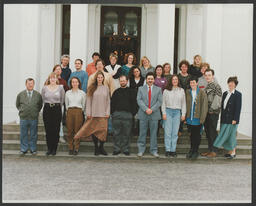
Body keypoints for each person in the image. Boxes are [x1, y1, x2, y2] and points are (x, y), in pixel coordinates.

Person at [74, 71, 110, 156]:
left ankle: (101, 147)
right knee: (94, 131)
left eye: (101, 77)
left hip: (103, 114)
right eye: (98, 77)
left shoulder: (106, 88)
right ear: (96, 78)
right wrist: (88, 113)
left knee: (103, 131)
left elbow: (108, 101)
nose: (100, 79)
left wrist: (107, 112)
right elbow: (88, 101)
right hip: (93, 113)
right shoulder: (91, 87)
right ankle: (96, 148)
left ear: (103, 78)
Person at [213, 77, 242, 159]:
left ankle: (233, 152)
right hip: (224, 119)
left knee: (232, 136)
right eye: (230, 82)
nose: (231, 84)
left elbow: (238, 108)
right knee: (227, 136)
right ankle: (229, 152)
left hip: (232, 120)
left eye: (233, 83)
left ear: (235, 84)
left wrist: (235, 119)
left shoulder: (238, 94)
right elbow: (223, 107)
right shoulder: (225, 93)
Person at [137, 72, 163, 157]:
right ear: (146, 79)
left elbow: (160, 101)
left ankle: (154, 150)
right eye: (148, 79)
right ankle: (141, 150)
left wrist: (151, 109)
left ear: (154, 80)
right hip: (143, 114)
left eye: (152, 79)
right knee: (142, 133)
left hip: (154, 114)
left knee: (154, 133)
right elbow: (139, 100)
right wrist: (146, 109)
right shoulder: (141, 89)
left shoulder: (158, 89)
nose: (150, 80)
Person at [111, 75, 137, 156]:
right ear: (119, 82)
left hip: (127, 115)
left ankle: (125, 149)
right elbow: (112, 104)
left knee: (127, 133)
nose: (122, 82)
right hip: (117, 115)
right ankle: (117, 149)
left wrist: (132, 113)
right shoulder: (116, 92)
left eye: (124, 80)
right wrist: (113, 113)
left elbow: (135, 104)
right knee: (116, 133)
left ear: (127, 81)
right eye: (121, 81)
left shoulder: (132, 91)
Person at [16, 78, 43, 155]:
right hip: (23, 117)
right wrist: (22, 110)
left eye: (31, 83)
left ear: (33, 84)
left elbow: (40, 105)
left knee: (33, 134)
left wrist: (35, 111)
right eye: (28, 83)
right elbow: (17, 104)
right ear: (26, 84)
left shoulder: (38, 95)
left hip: (33, 117)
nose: (30, 85)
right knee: (23, 134)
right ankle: (23, 149)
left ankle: (33, 149)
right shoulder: (20, 94)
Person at [162, 75, 186, 157]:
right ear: (171, 81)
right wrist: (164, 113)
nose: (175, 81)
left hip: (177, 112)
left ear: (178, 81)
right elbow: (163, 103)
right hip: (168, 111)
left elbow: (184, 103)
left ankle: (173, 150)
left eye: (176, 79)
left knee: (175, 132)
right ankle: (168, 150)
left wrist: (183, 114)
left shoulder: (181, 90)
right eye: (173, 79)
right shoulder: (166, 91)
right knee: (168, 132)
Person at [41, 72, 65, 156]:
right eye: (51, 78)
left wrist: (57, 106)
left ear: (56, 79)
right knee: (48, 130)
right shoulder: (44, 88)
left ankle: (54, 148)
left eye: (54, 78)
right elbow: (43, 99)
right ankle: (49, 149)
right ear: (49, 79)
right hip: (47, 109)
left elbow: (62, 100)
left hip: (56, 109)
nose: (53, 79)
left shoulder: (60, 88)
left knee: (56, 129)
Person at [201, 68, 222, 158]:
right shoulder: (207, 86)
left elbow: (217, 99)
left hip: (212, 113)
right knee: (208, 132)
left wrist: (211, 110)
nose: (207, 77)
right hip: (206, 113)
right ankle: (210, 150)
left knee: (212, 132)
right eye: (206, 75)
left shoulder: (216, 86)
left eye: (209, 75)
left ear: (213, 76)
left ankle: (214, 151)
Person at [185, 76, 208, 159]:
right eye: (191, 83)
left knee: (197, 135)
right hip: (189, 118)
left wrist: (202, 119)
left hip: (197, 118)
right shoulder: (187, 92)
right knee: (191, 135)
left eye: (193, 83)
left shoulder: (202, 93)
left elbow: (204, 106)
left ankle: (195, 151)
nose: (192, 84)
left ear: (197, 83)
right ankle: (191, 150)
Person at [65, 77, 86, 155]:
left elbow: (83, 105)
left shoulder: (82, 93)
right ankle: (70, 147)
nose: (74, 83)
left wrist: (81, 112)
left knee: (77, 130)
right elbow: (66, 104)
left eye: (76, 82)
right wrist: (68, 112)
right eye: (73, 82)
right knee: (70, 130)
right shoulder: (67, 93)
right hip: (70, 111)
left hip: (78, 111)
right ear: (71, 83)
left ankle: (76, 148)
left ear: (78, 83)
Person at [52, 64, 69, 143]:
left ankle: (60, 135)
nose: (58, 70)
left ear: (61, 71)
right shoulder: (49, 80)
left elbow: (67, 92)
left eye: (59, 69)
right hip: (51, 104)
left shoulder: (63, 81)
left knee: (59, 121)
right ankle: (53, 136)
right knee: (51, 121)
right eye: (56, 69)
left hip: (60, 104)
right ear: (54, 71)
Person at [128, 65, 145, 135]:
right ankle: (132, 130)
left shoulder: (143, 79)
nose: (136, 73)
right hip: (132, 100)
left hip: (141, 99)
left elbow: (145, 89)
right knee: (132, 115)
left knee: (140, 115)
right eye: (134, 72)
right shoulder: (130, 79)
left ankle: (138, 130)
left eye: (137, 71)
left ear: (139, 72)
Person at [177, 60, 191, 135]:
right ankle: (180, 129)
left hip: (188, 96)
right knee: (180, 112)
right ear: (180, 68)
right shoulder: (177, 76)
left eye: (185, 67)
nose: (184, 68)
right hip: (179, 96)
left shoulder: (190, 77)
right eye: (182, 67)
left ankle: (189, 129)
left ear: (187, 68)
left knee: (188, 112)